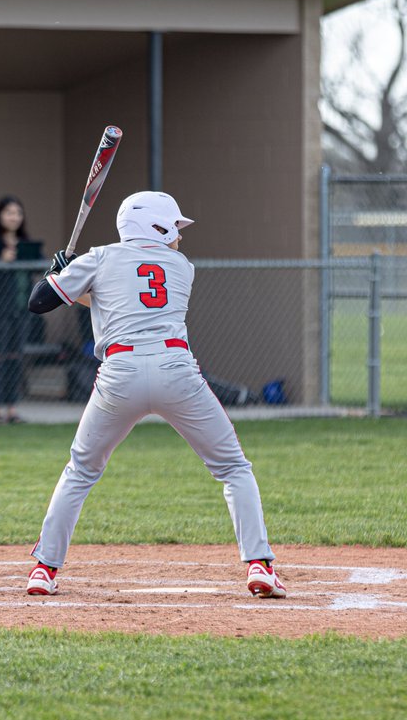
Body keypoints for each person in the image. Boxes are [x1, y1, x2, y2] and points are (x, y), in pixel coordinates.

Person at [23, 191, 286, 600]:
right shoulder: (181, 267)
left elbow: (39, 303)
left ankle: (43, 569)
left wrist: (60, 275)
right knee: (233, 467)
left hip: (119, 375)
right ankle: (260, 565)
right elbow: (119, 295)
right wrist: (73, 278)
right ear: (156, 227)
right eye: (174, 228)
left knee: (80, 471)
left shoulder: (99, 257)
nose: (179, 238)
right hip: (175, 372)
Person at [0, 195, 42, 425]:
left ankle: (13, 408)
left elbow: (38, 266)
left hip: (21, 309)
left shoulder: (25, 241)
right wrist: (0, 260)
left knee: (15, 356)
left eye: (18, 213)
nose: (14, 217)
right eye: (9, 212)